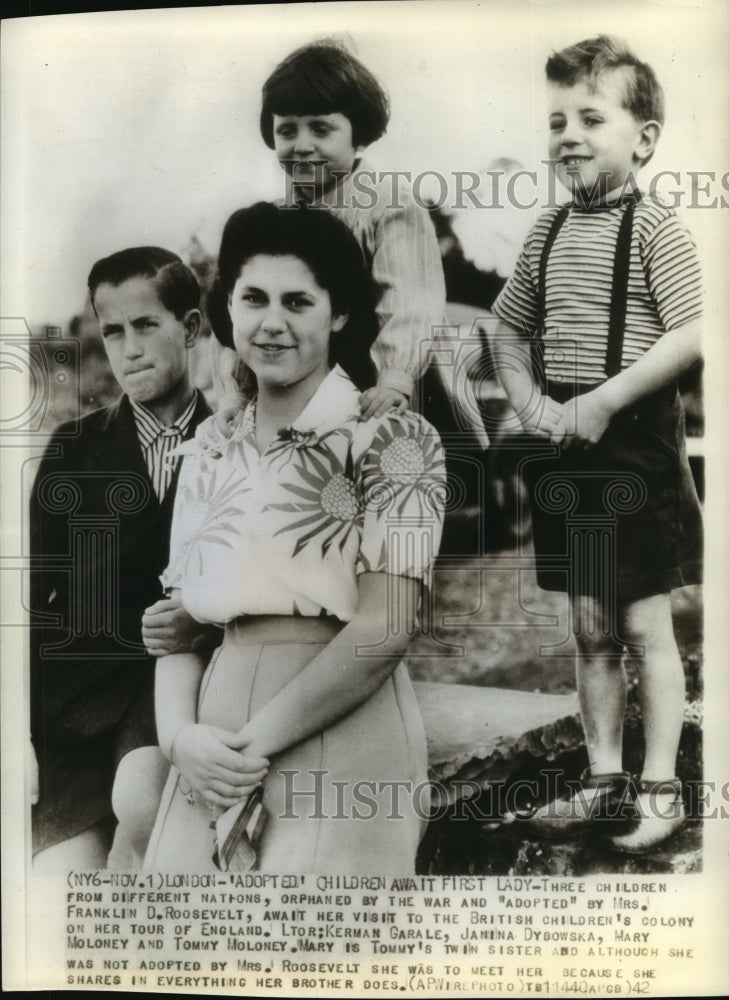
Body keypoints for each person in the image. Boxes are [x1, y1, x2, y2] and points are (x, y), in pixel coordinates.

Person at [116, 202, 446, 873]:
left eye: (299, 302)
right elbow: (180, 631)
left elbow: (385, 627)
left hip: (339, 724)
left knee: (310, 953)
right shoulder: (206, 451)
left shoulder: (392, 441)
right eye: (254, 299)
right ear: (227, 312)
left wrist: (246, 747)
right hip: (211, 744)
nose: (272, 323)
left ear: (340, 314)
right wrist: (181, 740)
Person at [490, 36, 703, 853]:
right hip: (566, 453)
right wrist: (532, 404)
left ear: (642, 138)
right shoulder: (545, 232)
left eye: (589, 116)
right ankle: (602, 778)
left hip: (632, 451)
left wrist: (605, 399)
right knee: (588, 629)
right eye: (555, 121)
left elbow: (689, 332)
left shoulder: (655, 228)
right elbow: (507, 331)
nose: (567, 135)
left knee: (644, 623)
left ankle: (661, 789)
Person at [30, 247, 214, 872]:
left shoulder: (231, 445)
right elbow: (32, 601)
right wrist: (18, 738)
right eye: (113, 331)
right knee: (57, 883)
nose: (129, 347)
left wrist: (205, 623)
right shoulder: (73, 450)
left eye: (146, 326)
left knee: (144, 809)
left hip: (176, 691)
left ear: (190, 328)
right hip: (76, 704)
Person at [213, 39, 485, 445]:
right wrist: (237, 389)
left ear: (358, 133)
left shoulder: (389, 206)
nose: (302, 144)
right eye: (287, 130)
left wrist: (395, 378)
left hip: (385, 377)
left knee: (398, 467)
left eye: (321, 129)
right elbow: (239, 312)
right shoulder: (270, 222)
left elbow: (411, 303)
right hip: (302, 380)